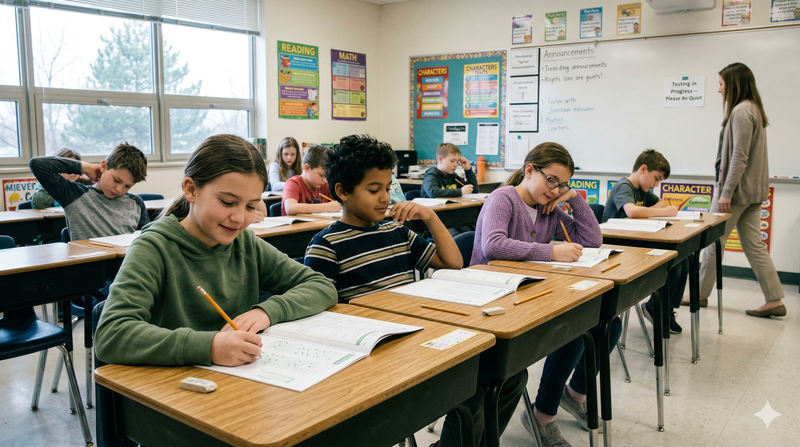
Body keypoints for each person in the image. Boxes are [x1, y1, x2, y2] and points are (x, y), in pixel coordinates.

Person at [95, 134, 337, 366]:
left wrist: (267, 311)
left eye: (251, 206)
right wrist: (209, 347)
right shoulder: (155, 248)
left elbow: (321, 286)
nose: (239, 218)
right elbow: (112, 334)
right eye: (227, 202)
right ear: (191, 190)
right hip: (172, 385)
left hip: (237, 381)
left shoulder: (245, 243)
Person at [304, 134, 482, 447]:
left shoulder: (396, 230)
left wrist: (429, 216)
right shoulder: (326, 245)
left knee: (482, 383)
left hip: (412, 338)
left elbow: (453, 262)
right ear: (342, 192)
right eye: (374, 190)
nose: (385, 198)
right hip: (371, 354)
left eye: (388, 188)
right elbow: (321, 317)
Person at [472, 142, 618, 447]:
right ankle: (543, 416)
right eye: (551, 180)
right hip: (491, 299)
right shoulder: (503, 198)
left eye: (562, 185)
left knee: (604, 324)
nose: (555, 190)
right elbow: (493, 246)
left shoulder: (547, 208)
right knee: (574, 332)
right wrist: (550, 251)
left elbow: (592, 241)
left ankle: (563, 401)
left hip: (529, 295)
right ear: (529, 170)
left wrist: (573, 198)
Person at [682, 62, 785, 318]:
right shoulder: (754, 108)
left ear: (733, 84)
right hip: (753, 192)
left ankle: (699, 293)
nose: (719, 89)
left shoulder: (740, 112)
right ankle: (774, 299)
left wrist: (726, 192)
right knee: (754, 245)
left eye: (721, 84)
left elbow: (739, 156)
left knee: (712, 242)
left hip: (736, 193)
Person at [603, 149, 687, 334]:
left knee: (683, 259)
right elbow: (632, 211)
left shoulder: (643, 190)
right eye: (656, 178)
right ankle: (656, 309)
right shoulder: (624, 186)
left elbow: (662, 203)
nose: (656, 185)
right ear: (643, 169)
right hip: (617, 248)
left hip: (635, 243)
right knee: (673, 263)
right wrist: (664, 212)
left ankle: (663, 308)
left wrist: (653, 211)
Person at [29, 142, 149, 241]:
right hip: (92, 262)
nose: (119, 189)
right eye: (116, 180)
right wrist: (87, 168)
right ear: (103, 166)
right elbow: (38, 164)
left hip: (125, 262)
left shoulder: (136, 203)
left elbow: (147, 241)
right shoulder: (74, 194)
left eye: (127, 186)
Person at [281, 145, 342, 216]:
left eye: (327, 176)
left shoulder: (324, 185)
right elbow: (290, 208)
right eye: (321, 175)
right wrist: (327, 207)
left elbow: (338, 204)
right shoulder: (293, 183)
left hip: (320, 223)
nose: (325, 180)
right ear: (307, 168)